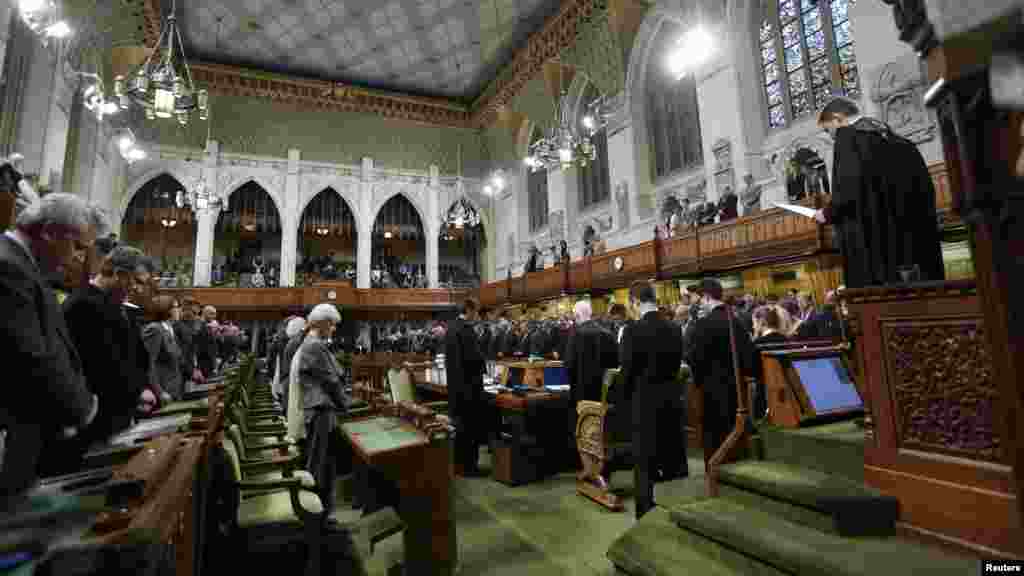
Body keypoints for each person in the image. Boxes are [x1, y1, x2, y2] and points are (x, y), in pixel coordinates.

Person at [0, 193, 101, 505]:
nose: (80, 259)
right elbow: (32, 358)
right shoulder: (9, 266)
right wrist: (82, 408)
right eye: (78, 247)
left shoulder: (24, 268)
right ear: (50, 232)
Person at [814, 96, 944, 288]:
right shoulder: (902, 143)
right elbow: (926, 192)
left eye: (828, 129)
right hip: (917, 251)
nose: (831, 136)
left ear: (838, 119)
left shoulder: (849, 138)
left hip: (877, 260)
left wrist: (826, 213)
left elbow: (848, 192)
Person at [49, 246, 152, 474]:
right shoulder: (83, 304)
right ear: (119, 274)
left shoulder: (115, 306)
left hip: (115, 419)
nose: (136, 288)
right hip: (92, 426)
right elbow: (96, 369)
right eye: (135, 281)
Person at [613, 281, 686, 519]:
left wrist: (622, 406)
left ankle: (646, 517)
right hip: (671, 402)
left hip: (643, 405)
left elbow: (627, 373)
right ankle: (676, 512)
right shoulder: (675, 328)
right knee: (673, 460)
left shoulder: (632, 330)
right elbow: (676, 366)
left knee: (644, 466)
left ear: (634, 302)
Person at [686, 278, 755, 467]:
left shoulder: (703, 325)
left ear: (707, 297)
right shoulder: (736, 321)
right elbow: (748, 357)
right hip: (736, 389)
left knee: (715, 435)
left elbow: (694, 359)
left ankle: (717, 473)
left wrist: (699, 382)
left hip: (711, 391)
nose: (699, 304)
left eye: (700, 299)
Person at [294, 303, 350, 513]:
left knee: (322, 462)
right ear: (324, 323)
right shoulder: (315, 345)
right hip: (320, 410)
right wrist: (345, 405)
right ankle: (319, 515)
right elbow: (331, 380)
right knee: (320, 463)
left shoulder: (311, 342)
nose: (334, 328)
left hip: (317, 408)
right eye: (333, 324)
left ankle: (322, 512)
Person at [565, 300, 619, 464]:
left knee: (583, 430)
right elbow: (615, 364)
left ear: (577, 315)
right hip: (604, 392)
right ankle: (602, 462)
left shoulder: (576, 334)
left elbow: (569, 364)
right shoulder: (607, 333)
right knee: (601, 429)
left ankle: (586, 463)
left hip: (582, 392)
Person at [445, 298, 486, 476]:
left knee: (458, 429)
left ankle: (458, 465)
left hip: (455, 388)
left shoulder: (451, 327)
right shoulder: (466, 330)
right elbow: (474, 359)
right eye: (476, 312)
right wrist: (483, 365)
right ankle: (470, 468)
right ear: (469, 310)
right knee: (470, 430)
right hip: (469, 388)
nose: (477, 316)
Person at [143, 296, 184, 402]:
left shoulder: (170, 329)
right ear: (165, 309)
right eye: (176, 307)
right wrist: (159, 391)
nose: (179, 310)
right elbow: (147, 363)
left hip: (174, 389)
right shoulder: (155, 329)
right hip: (163, 391)